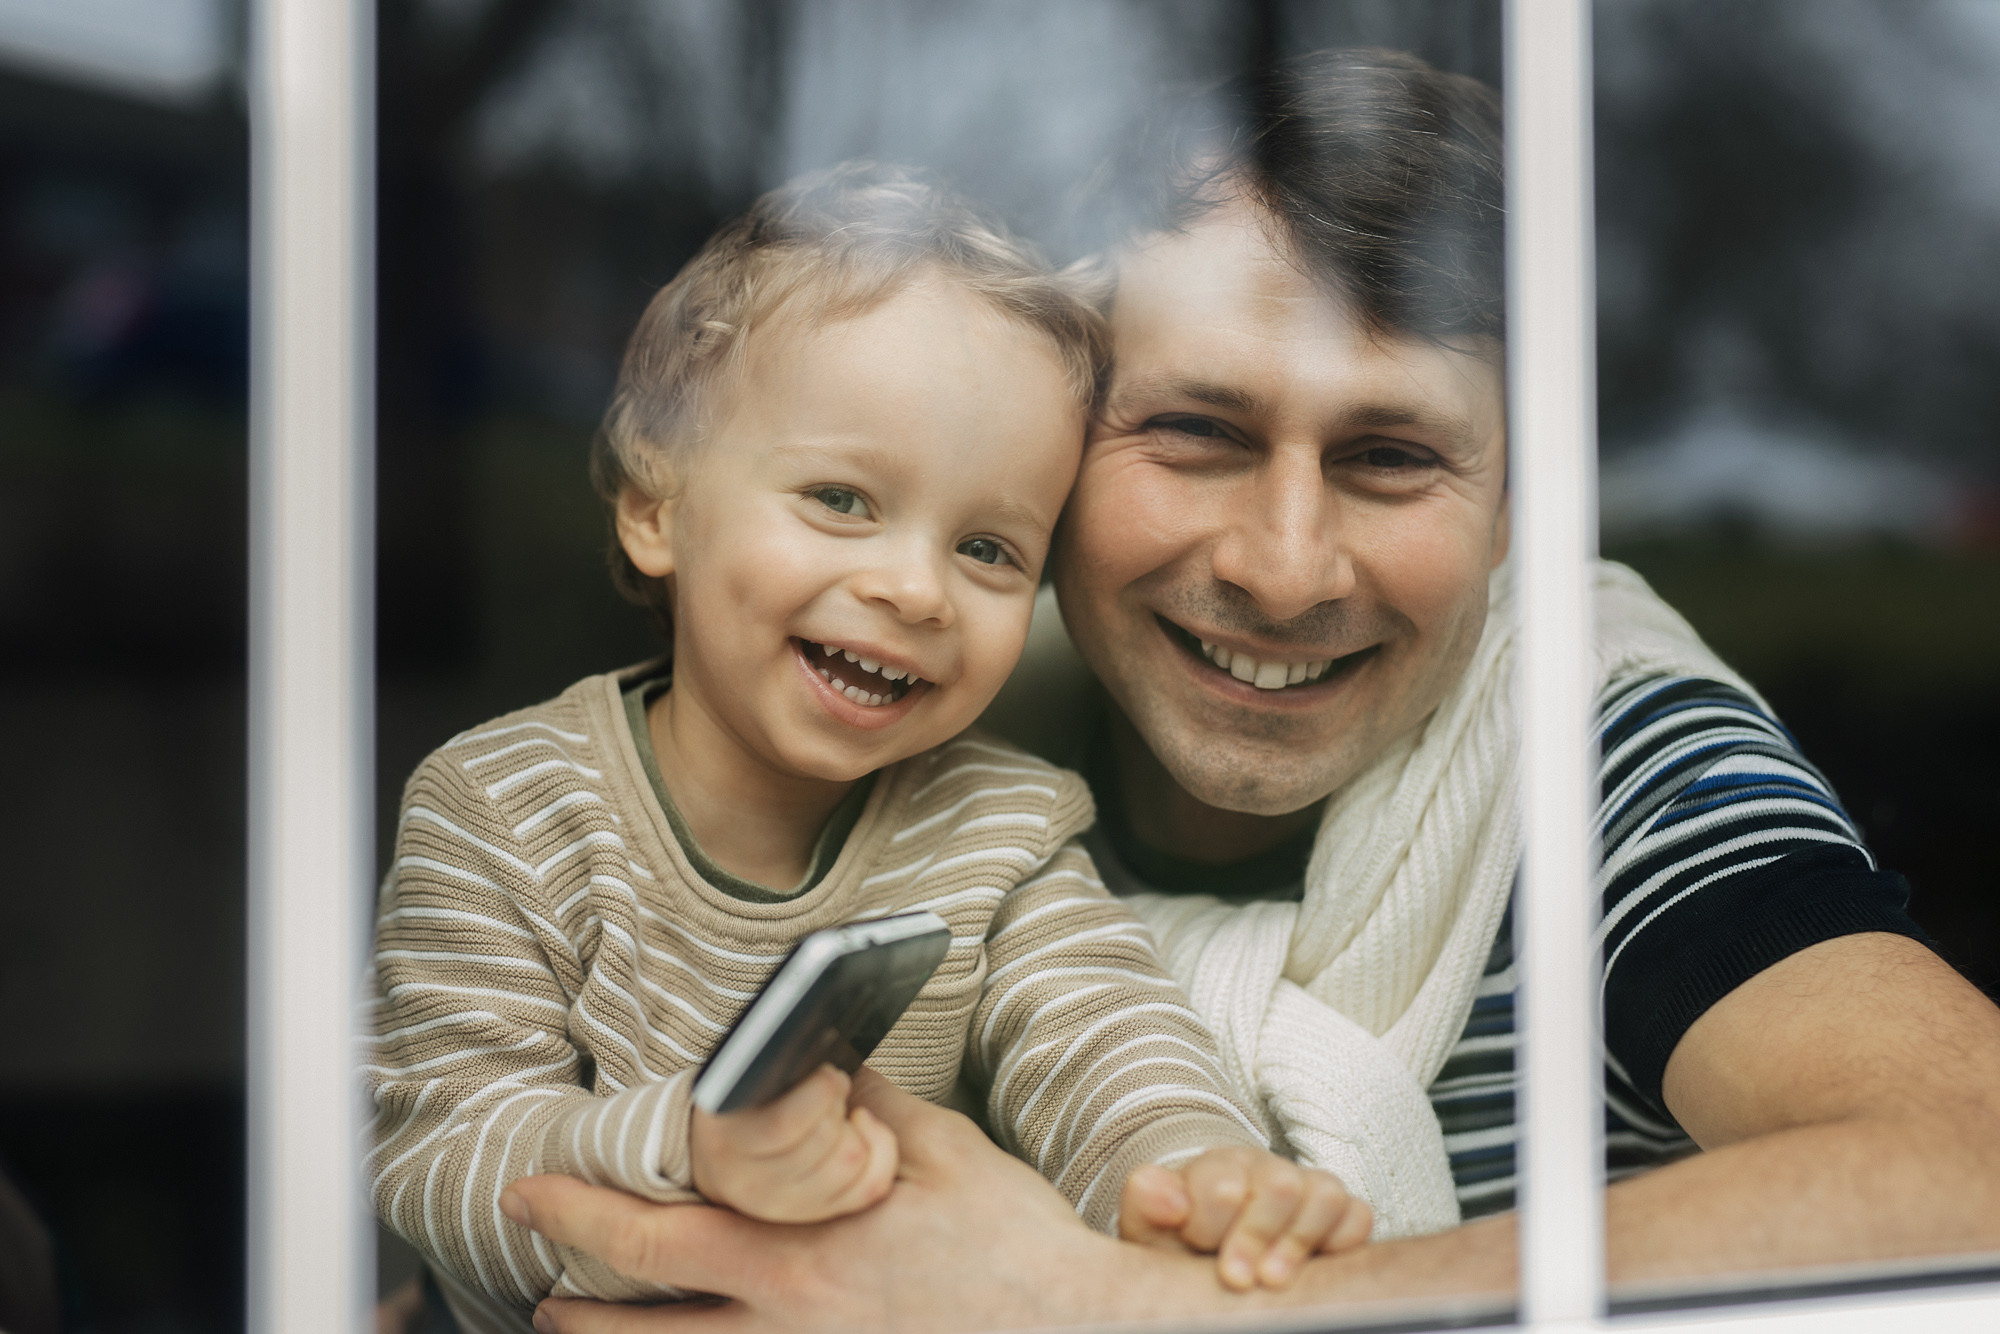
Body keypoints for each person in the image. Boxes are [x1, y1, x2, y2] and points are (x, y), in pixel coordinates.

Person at [498, 49, 2000, 1333]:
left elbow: (1974, 1163)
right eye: (1198, 431)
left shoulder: (1596, 749)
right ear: (1058, 448)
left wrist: (1130, 1308)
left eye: (1391, 456)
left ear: (1516, 503)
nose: (1288, 568)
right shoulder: (906, 714)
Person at [363, 163, 1375, 1334]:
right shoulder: (501, 806)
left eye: (989, 550)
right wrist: (689, 1148)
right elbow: (438, 1153)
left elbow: (1102, 1038)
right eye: (842, 499)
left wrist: (1192, 1171)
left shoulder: (997, 829)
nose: (912, 588)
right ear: (656, 507)